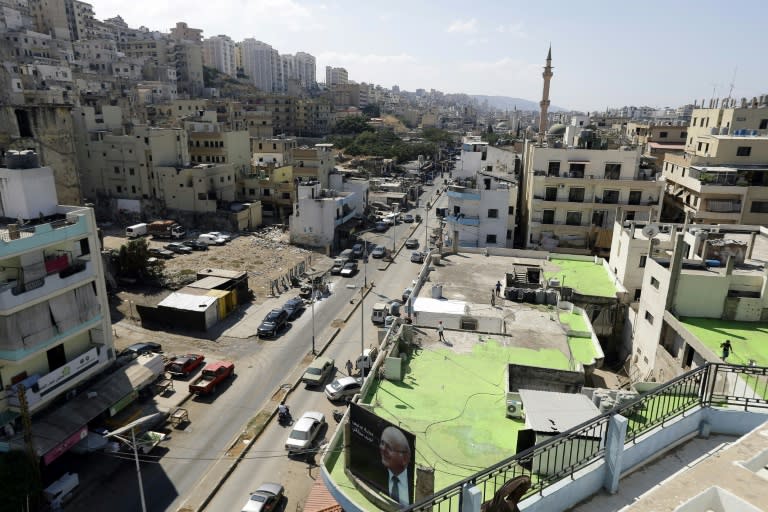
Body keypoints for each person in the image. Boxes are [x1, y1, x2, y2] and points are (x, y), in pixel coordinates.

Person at [379, 426, 412, 505]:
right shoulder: (375, 472)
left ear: (405, 458)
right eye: (382, 443)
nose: (383, 449)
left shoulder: (413, 482)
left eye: (389, 448)